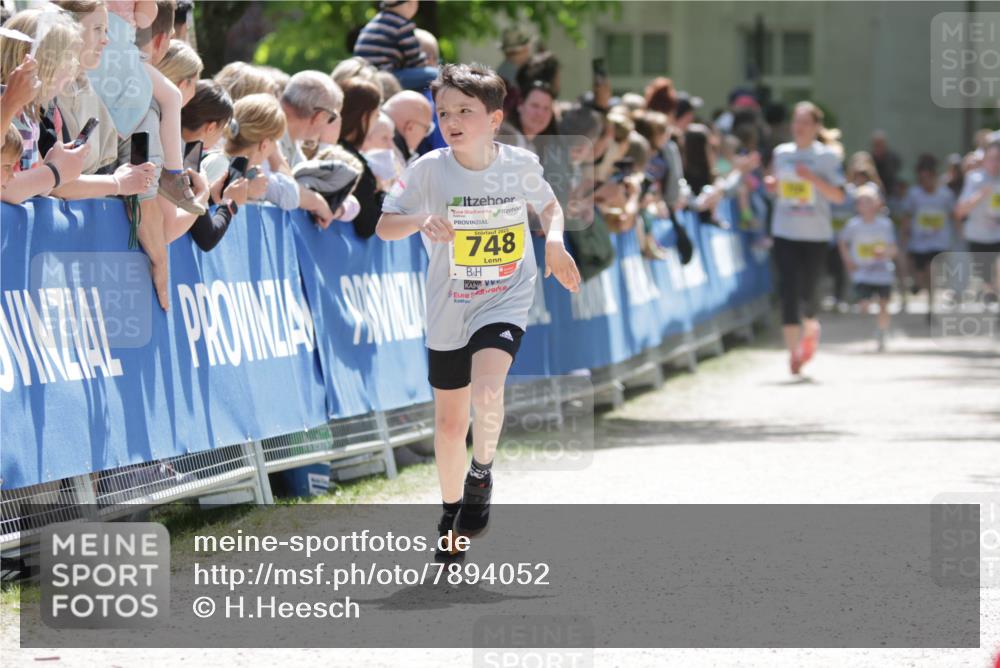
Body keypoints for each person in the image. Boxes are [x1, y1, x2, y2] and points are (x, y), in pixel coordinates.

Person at [376, 63, 580, 563]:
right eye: (444, 112)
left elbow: (550, 207)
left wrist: (553, 243)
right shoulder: (427, 169)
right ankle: (450, 511)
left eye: (465, 110)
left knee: (488, 391)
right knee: (449, 426)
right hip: (450, 305)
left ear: (494, 117)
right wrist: (422, 218)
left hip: (505, 296)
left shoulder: (517, 163)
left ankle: (481, 473)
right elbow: (384, 226)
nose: (452, 120)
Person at [765, 101, 846, 375]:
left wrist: (811, 178)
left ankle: (811, 324)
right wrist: (774, 186)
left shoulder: (827, 157)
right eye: (796, 121)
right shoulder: (782, 153)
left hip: (816, 234)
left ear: (816, 127)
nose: (799, 127)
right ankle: (793, 355)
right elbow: (778, 187)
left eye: (805, 122)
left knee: (808, 293)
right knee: (788, 289)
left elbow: (838, 196)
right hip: (785, 230)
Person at [1, 8, 91, 204]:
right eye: (66, 58)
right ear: (37, 61)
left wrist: (54, 163)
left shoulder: (28, 113)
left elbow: (35, 187)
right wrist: (55, 172)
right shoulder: (8, 107)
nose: (72, 68)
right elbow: (7, 188)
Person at [838, 184, 897, 351]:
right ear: (857, 206)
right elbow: (842, 242)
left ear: (878, 203)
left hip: (883, 273)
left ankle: (882, 331)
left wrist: (884, 252)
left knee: (884, 305)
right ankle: (867, 315)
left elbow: (893, 249)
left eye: (869, 201)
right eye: (861, 202)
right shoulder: (853, 225)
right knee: (864, 304)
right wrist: (848, 260)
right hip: (862, 274)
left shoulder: (885, 225)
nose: (866, 205)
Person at [899, 154, 956, 322]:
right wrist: (904, 236)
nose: (925, 181)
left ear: (934, 177)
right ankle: (918, 285)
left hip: (939, 243)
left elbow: (953, 215)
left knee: (933, 273)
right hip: (919, 243)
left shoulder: (945, 195)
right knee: (920, 276)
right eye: (921, 178)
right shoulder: (914, 195)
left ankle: (931, 308)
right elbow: (907, 216)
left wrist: (957, 238)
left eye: (928, 177)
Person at [352, 0, 436, 92]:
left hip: (364, 75)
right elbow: (415, 61)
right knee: (435, 74)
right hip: (385, 77)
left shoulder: (374, 22)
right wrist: (428, 64)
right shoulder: (402, 24)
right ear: (411, 3)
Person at [338, 76, 384, 238]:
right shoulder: (351, 161)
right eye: (376, 115)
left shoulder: (331, 149)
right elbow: (368, 225)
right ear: (364, 117)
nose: (377, 122)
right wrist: (381, 193)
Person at [954, 139, 1000, 297]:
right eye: (992, 159)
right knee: (988, 281)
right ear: (984, 160)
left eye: (999, 159)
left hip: (998, 236)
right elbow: (960, 211)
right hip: (978, 237)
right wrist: (981, 194)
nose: (995, 163)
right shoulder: (974, 179)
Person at [382, 89, 433, 167]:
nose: (424, 136)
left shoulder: (365, 128)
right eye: (427, 129)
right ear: (410, 127)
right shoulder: (391, 157)